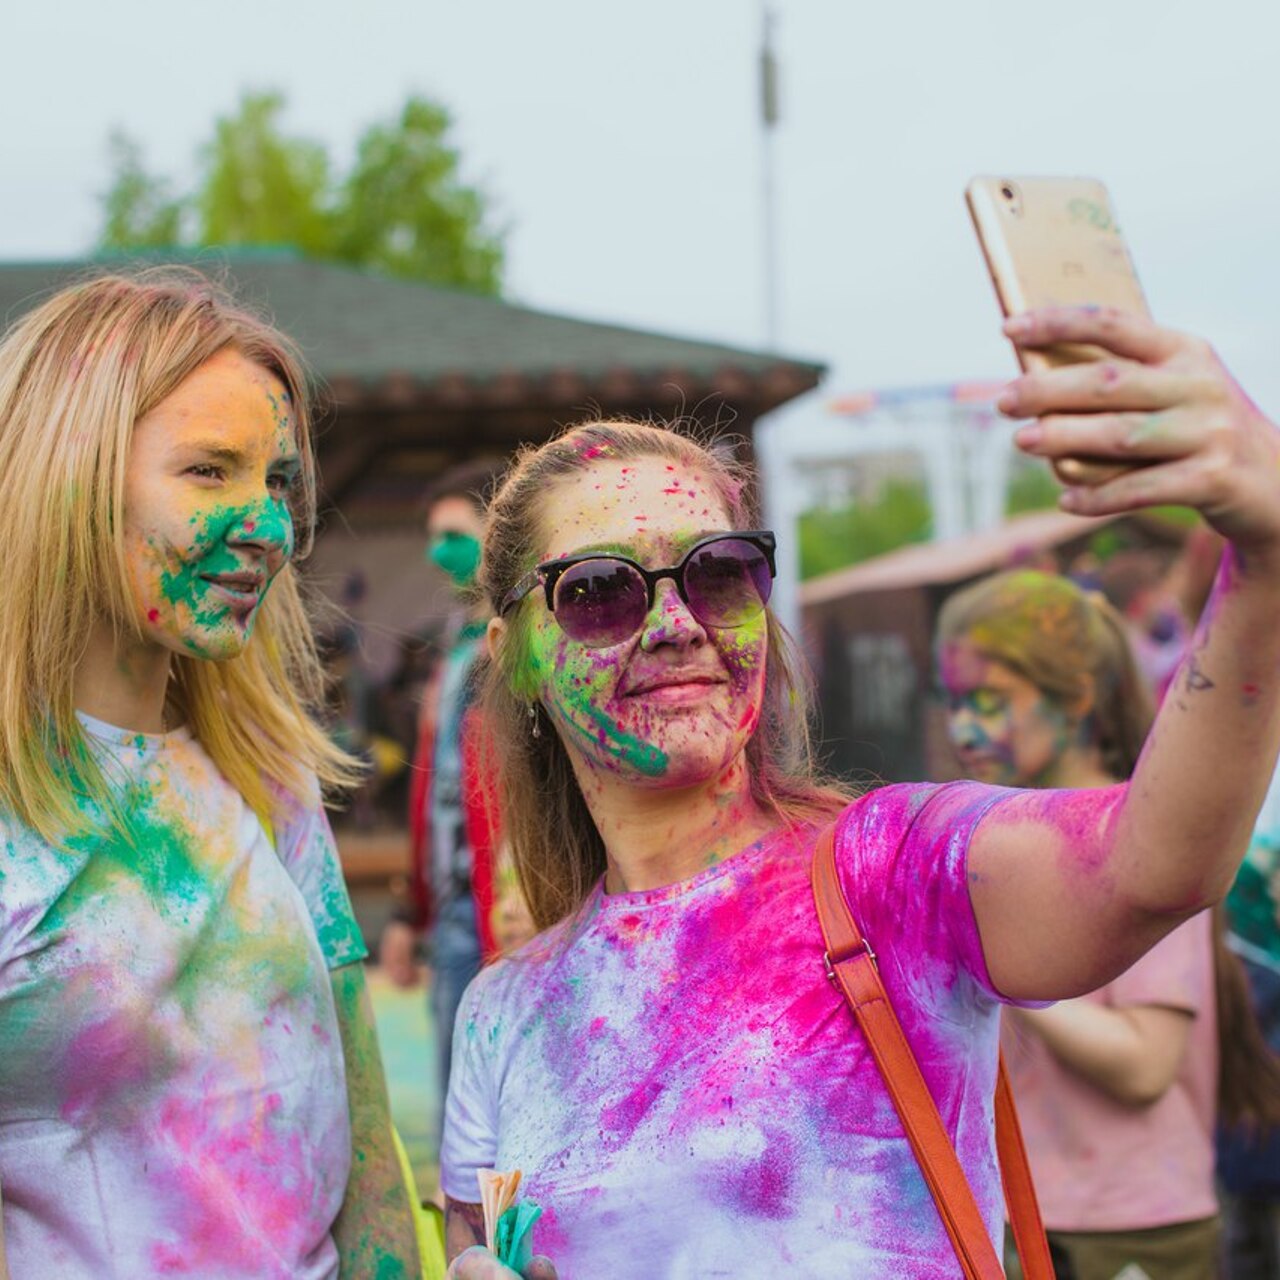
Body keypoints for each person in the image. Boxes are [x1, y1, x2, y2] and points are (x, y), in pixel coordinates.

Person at [436, 307, 1280, 1279]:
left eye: (715, 573)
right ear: (514, 660)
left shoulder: (887, 866)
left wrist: (1261, 562)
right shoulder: (504, 1011)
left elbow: (1152, 861)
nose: (672, 622)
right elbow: (472, 1243)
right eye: (597, 590)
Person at [0, 272, 420, 1278]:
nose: (268, 526)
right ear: (68, 476)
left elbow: (364, 1145)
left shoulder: (264, 777)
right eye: (208, 471)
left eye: (275, 481)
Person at [936, 569, 1280, 1280]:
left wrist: (981, 958)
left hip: (1129, 1230)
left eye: (992, 701)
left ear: (1077, 700)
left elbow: (1145, 1063)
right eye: (954, 701)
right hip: (1023, 1212)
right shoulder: (994, 837)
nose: (962, 728)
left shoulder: (1134, 844)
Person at [380, 461, 505, 1141]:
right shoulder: (455, 648)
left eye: (454, 534)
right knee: (460, 1117)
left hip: (512, 911)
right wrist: (410, 910)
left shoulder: (526, 642)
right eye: (433, 538)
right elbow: (437, 795)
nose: (439, 553)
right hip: (455, 909)